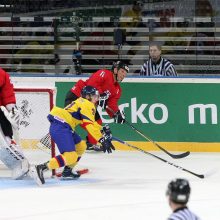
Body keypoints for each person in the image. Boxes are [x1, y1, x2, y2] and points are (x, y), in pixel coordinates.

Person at [32, 86, 115, 185]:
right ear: (88, 96)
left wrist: (101, 129)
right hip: (62, 126)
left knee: (81, 146)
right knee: (71, 156)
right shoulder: (88, 105)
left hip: (64, 125)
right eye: (94, 96)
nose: (96, 98)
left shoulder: (82, 102)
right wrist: (101, 139)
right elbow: (89, 125)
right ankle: (41, 168)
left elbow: (90, 123)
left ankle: (67, 171)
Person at [65, 60, 129, 151]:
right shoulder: (104, 73)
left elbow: (111, 104)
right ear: (115, 70)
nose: (124, 75)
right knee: (71, 121)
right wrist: (100, 95)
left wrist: (116, 114)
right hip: (76, 96)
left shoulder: (117, 89)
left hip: (87, 105)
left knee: (97, 121)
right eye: (122, 71)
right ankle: (60, 138)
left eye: (126, 73)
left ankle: (92, 143)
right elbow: (91, 84)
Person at [0, 67, 30, 179]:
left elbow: (7, 93)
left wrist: (11, 107)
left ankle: (20, 164)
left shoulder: (1, 74)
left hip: (1, 113)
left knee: (6, 142)